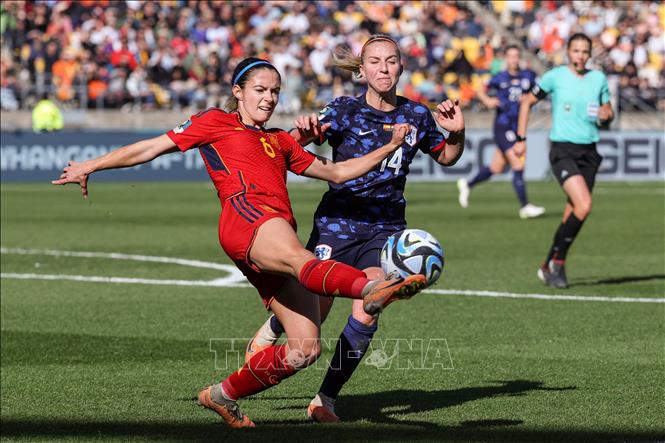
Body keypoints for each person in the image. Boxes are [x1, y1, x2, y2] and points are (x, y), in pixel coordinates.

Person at [52, 57, 430, 428]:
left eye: (275, 92)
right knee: (302, 260)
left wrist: (388, 147)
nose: (268, 98)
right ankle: (373, 287)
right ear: (239, 91)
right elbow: (151, 147)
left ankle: (222, 395)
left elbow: (335, 171)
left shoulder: (280, 141)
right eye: (260, 90)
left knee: (305, 349)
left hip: (271, 230)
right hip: (247, 218)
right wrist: (91, 165)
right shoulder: (215, 122)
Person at [244, 35, 466, 423]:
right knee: (319, 305)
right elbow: (295, 148)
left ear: (401, 67)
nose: (384, 68)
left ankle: (324, 400)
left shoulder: (416, 115)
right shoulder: (344, 110)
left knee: (369, 307)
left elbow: (447, 156)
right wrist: (306, 133)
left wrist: (456, 133)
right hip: (338, 223)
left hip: (385, 229)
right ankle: (275, 326)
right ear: (362, 71)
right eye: (375, 62)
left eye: (391, 61)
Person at [516, 33, 614, 288]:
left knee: (574, 211)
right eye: (576, 51)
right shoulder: (555, 76)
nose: (580, 56)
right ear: (568, 52)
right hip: (562, 150)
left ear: (589, 54)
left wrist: (607, 114)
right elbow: (527, 102)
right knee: (584, 205)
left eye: (584, 52)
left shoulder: (598, 79)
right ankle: (558, 265)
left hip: (589, 152)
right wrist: (521, 138)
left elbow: (607, 113)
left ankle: (548, 264)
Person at [456, 45, 545, 219]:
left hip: (517, 126)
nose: (514, 59)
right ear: (506, 59)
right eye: (511, 56)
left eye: (516, 56)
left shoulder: (528, 76)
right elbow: (480, 90)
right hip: (503, 126)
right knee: (518, 164)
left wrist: (529, 101)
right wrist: (488, 100)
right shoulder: (500, 77)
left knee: (496, 167)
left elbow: (538, 94)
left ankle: (468, 184)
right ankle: (525, 206)